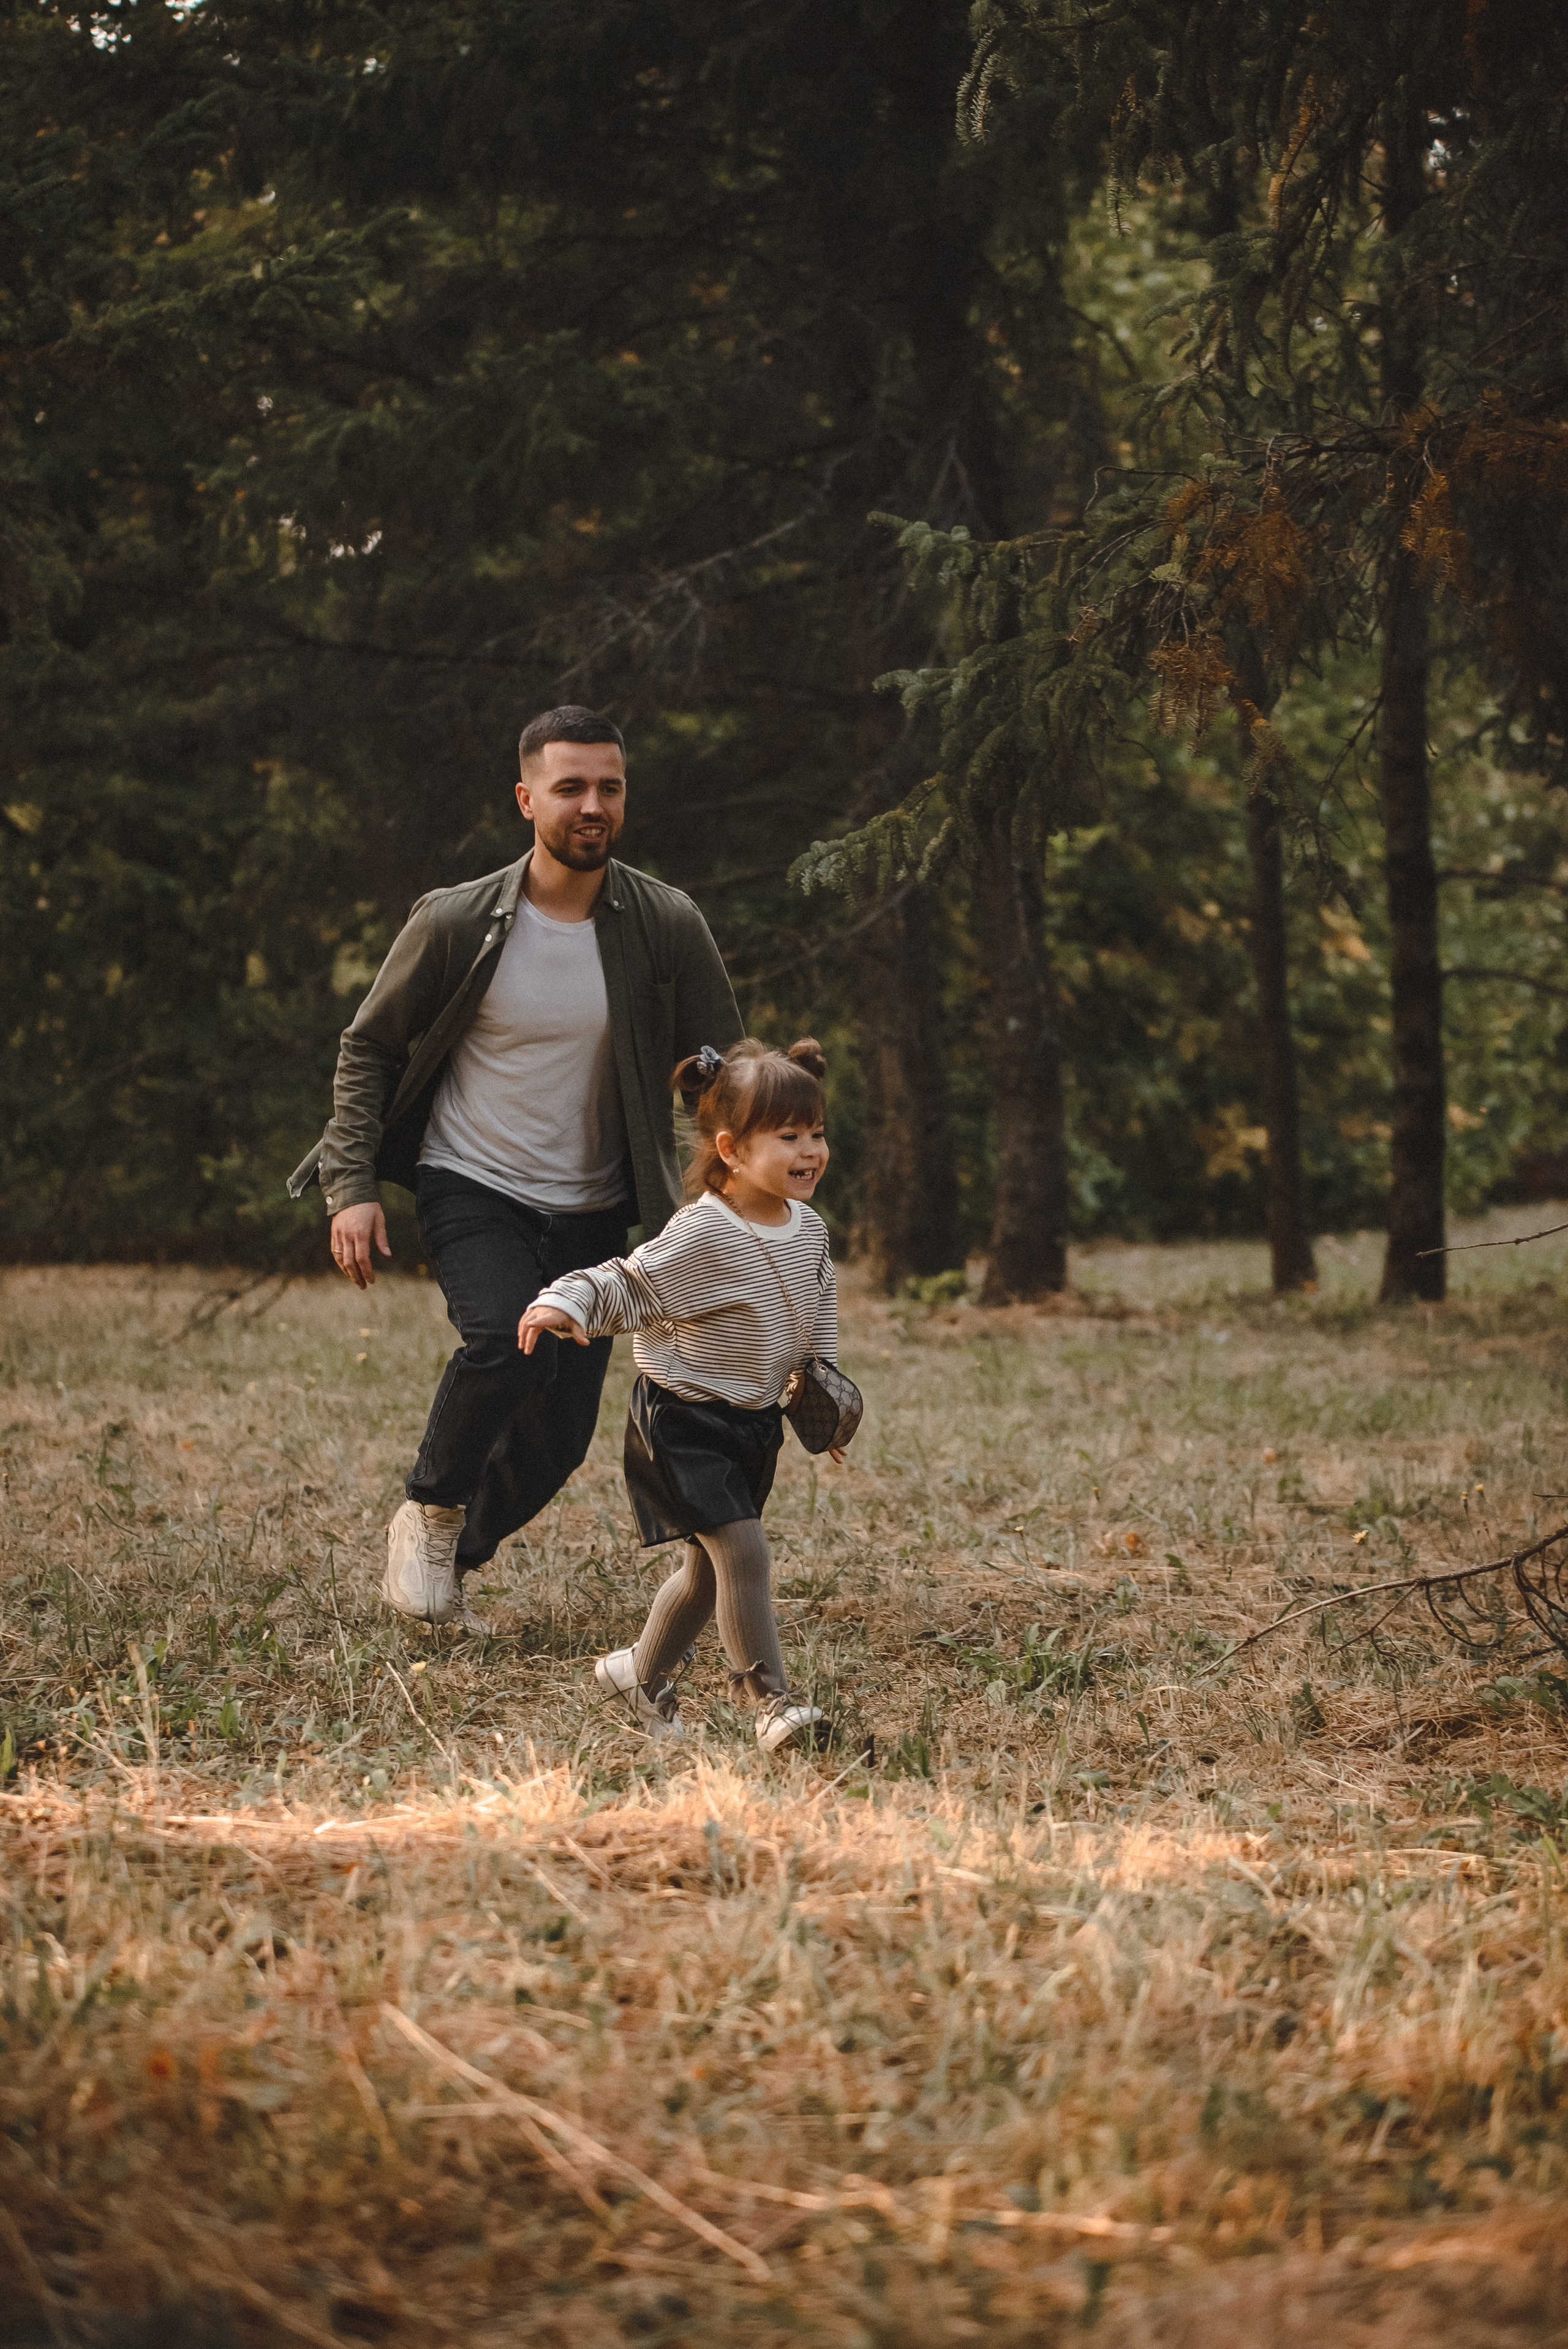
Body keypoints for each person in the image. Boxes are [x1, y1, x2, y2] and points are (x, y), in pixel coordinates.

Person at [287, 706, 742, 1630]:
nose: (592, 805)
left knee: (558, 1439)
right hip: (473, 1180)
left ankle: (450, 1556)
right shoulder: (457, 919)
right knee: (503, 1336)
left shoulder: (666, 921)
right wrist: (353, 1188)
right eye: (570, 786)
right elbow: (369, 1047)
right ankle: (430, 1505)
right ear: (527, 797)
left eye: (609, 787)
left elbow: (727, 1067)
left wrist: (732, 1176)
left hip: (593, 1205)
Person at [519, 1036, 848, 1753]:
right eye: (788, 1136)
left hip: (752, 1421)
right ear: (730, 1150)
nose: (810, 1149)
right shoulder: (705, 1229)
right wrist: (568, 1302)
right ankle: (773, 1706)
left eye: (817, 1133)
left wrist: (821, 1384)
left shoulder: (808, 1228)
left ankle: (636, 1673)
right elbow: (632, 1282)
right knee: (744, 1554)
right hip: (683, 1421)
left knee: (705, 1574)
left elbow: (817, 1304)